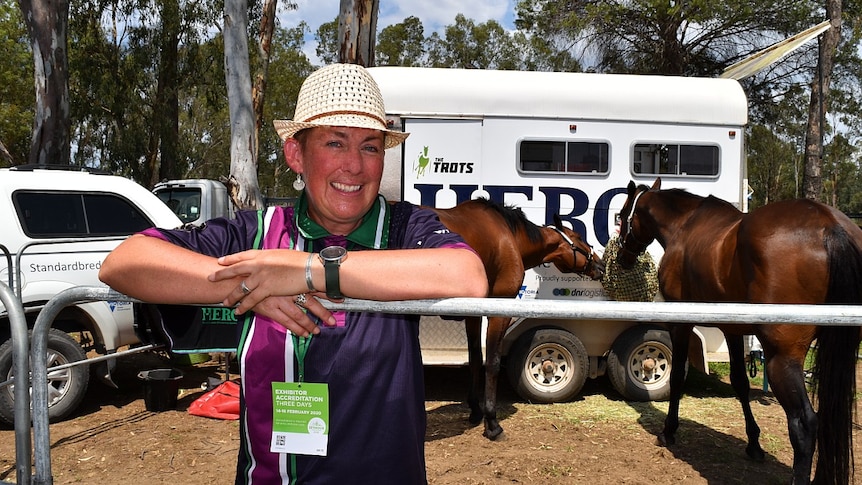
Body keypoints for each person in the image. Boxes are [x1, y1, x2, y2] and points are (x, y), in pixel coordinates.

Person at [99, 63, 488, 485]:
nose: (354, 166)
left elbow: (467, 277)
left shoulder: (404, 227)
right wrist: (253, 285)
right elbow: (123, 262)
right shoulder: (257, 232)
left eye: (370, 147)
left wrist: (308, 270)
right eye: (335, 143)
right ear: (295, 155)